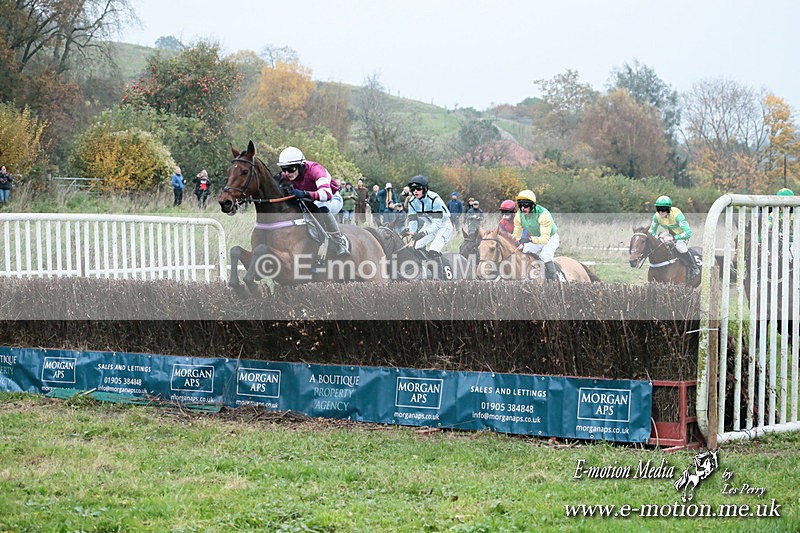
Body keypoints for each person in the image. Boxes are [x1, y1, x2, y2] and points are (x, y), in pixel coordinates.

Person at [278, 146, 349, 257]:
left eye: (291, 169)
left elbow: (327, 194)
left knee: (319, 205)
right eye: (284, 169)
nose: (287, 173)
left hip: (333, 199)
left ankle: (339, 241)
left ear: (300, 166)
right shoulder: (286, 174)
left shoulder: (316, 170)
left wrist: (304, 194)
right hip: (309, 200)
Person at [404, 175, 453, 267]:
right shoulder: (412, 202)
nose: (415, 191)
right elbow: (413, 222)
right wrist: (411, 232)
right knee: (415, 247)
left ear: (425, 189)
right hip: (428, 225)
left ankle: (442, 274)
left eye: (418, 189)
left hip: (443, 225)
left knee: (433, 250)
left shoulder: (435, 200)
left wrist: (422, 233)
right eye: (413, 189)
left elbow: (436, 225)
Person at [513, 190, 560, 281]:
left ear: (533, 205)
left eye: (526, 205)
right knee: (522, 251)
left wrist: (529, 239)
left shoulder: (543, 214)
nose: (522, 208)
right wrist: (517, 241)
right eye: (520, 205)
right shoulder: (519, 214)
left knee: (545, 256)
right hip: (536, 238)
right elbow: (517, 231)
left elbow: (544, 239)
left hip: (550, 238)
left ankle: (554, 281)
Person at [648, 195, 699, 280]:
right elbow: (651, 232)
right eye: (658, 208)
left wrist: (673, 238)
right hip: (669, 234)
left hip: (682, 235)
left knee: (680, 247)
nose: (660, 212)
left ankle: (694, 268)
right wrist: (656, 237)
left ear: (668, 208)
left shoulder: (677, 214)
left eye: (663, 209)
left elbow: (688, 232)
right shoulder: (656, 216)